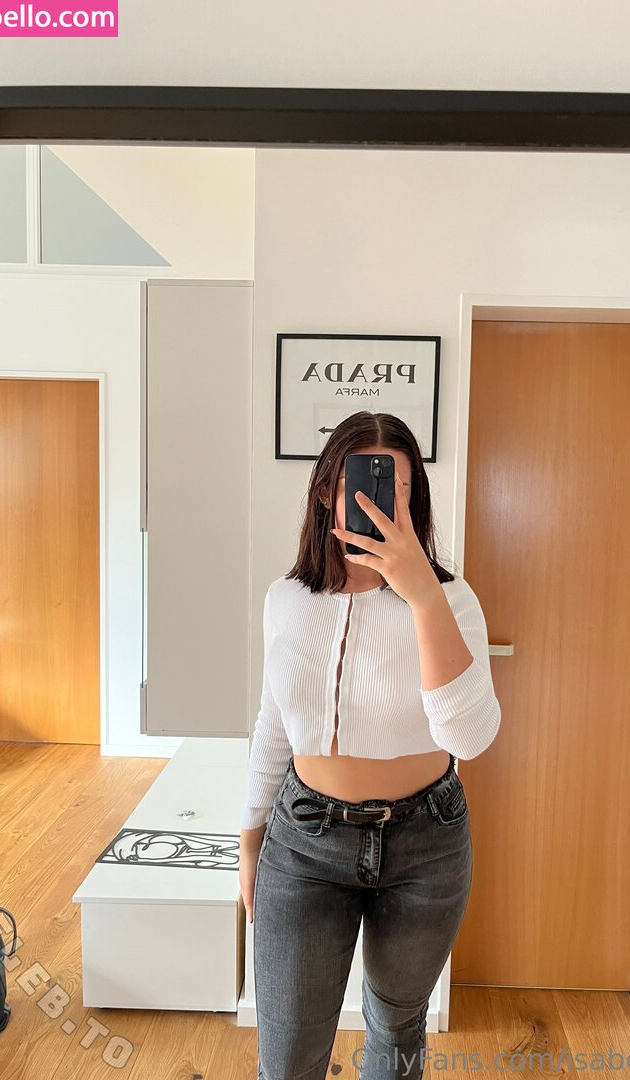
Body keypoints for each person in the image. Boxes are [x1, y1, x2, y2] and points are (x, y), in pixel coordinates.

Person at [239, 411, 501, 1080]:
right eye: (356, 484)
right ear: (327, 492)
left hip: (425, 843)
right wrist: (249, 836)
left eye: (398, 489)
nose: (382, 503)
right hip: (304, 839)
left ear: (416, 500)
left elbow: (469, 738)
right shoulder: (286, 598)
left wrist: (422, 599)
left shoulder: (451, 601)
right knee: (287, 1056)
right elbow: (274, 721)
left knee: (395, 1027)